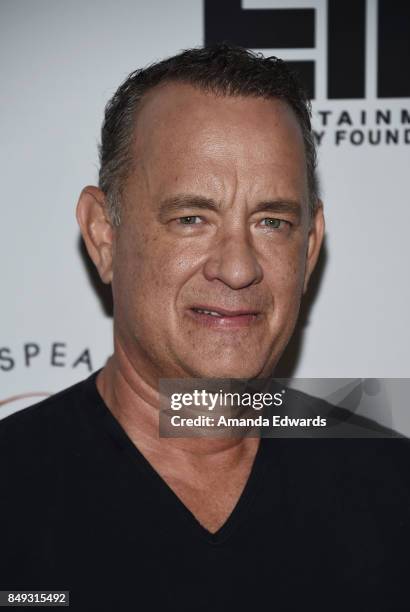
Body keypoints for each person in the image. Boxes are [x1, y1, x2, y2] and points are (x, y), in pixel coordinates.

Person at [0, 44, 409, 611]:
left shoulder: (393, 490)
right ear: (103, 236)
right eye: (191, 218)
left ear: (309, 248)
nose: (238, 267)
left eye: (272, 221)